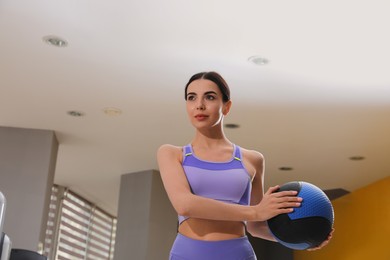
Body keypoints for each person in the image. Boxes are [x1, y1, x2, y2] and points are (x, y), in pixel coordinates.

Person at [157, 71, 332, 260]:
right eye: (191, 98)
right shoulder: (172, 154)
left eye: (210, 97)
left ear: (226, 106)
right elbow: (185, 205)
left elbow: (255, 227)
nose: (199, 105)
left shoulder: (252, 160)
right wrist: (256, 211)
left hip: (238, 254)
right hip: (187, 254)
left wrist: (303, 238)